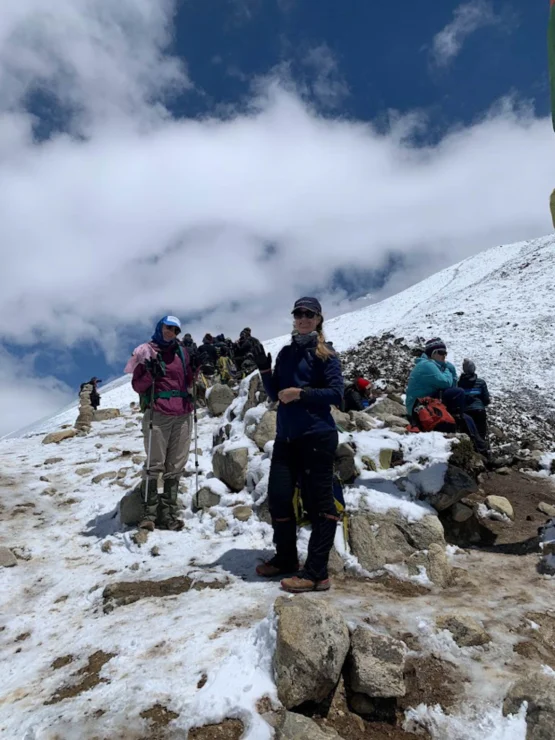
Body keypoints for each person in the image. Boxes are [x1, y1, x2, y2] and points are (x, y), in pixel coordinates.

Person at [253, 297, 344, 594]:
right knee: (279, 497)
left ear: (318, 319)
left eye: (309, 314)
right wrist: (265, 371)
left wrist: (302, 394)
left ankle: (317, 573)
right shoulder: (286, 353)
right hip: (286, 438)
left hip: (317, 436)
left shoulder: (326, 354)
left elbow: (335, 394)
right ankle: (287, 558)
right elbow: (277, 394)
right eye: (298, 313)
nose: (303, 318)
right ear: (293, 318)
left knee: (320, 504)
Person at [130, 316, 194, 531]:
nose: (171, 333)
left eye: (175, 330)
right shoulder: (146, 351)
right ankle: (149, 513)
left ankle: (167, 514)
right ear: (160, 327)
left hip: (183, 412)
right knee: (155, 463)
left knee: (175, 465)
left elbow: (188, 380)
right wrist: (150, 373)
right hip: (158, 412)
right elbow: (137, 385)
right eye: (168, 328)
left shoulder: (183, 352)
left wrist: (199, 365)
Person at [405, 338, 488, 454]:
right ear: (432, 353)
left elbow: (451, 384)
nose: (444, 356)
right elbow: (445, 382)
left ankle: (482, 450)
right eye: (441, 352)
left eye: (445, 353)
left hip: (428, 403)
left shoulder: (436, 366)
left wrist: (450, 370)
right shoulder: (426, 365)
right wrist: (449, 370)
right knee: (458, 393)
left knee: (467, 418)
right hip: (419, 406)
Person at [458, 359, 491, 439]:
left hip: (465, 412)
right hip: (479, 411)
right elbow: (486, 399)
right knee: (481, 434)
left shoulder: (459, 383)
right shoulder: (481, 382)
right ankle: (482, 449)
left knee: (468, 435)